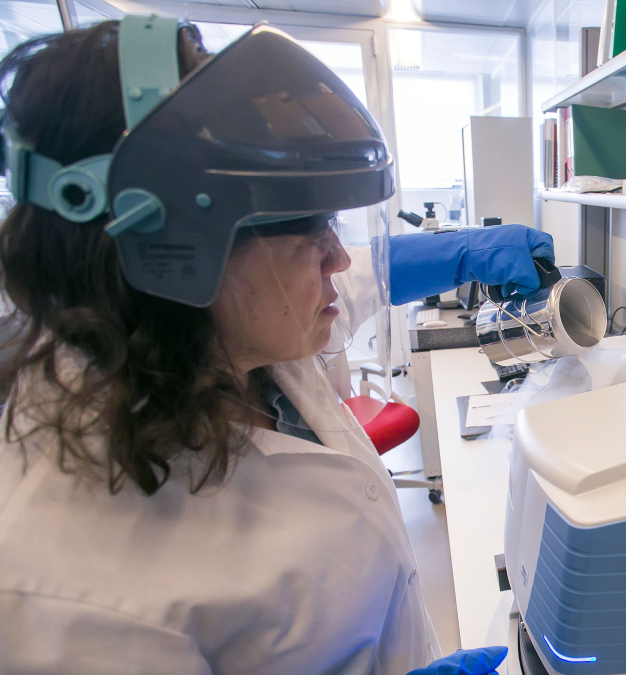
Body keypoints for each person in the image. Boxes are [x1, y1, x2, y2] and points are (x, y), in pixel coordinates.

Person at [0, 17, 546, 674]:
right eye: (311, 233)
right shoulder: (55, 589)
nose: (338, 257)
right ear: (176, 251)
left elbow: (359, 276)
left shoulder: (221, 332)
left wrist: (462, 251)